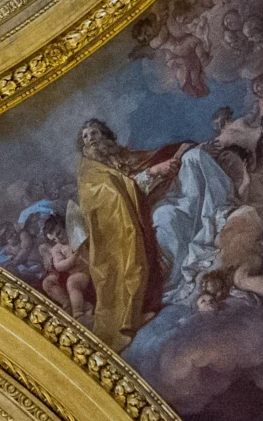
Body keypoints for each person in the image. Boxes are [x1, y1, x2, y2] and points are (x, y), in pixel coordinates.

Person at [73, 118, 186, 347]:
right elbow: (105, 198)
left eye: (94, 133)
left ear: (105, 135)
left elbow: (149, 164)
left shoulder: (124, 156)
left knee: (170, 213)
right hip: (115, 227)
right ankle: (130, 315)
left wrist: (167, 163)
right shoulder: (89, 173)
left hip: (146, 207)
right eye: (86, 137)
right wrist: (154, 172)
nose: (91, 139)